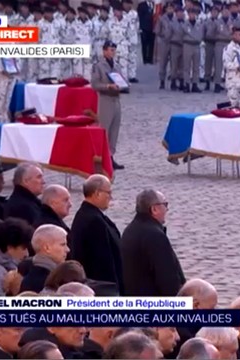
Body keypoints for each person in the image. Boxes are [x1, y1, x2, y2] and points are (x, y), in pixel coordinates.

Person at [120, 189, 185, 296]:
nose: (167, 209)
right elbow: (167, 277)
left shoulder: (130, 229)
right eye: (165, 204)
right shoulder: (155, 235)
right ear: (154, 209)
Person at [70, 175, 123, 293]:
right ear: (97, 193)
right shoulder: (93, 221)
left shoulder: (88, 215)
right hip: (102, 288)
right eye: (108, 193)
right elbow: (103, 262)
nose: (111, 197)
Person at [92, 40, 125, 170]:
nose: (113, 53)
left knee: (114, 131)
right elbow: (94, 84)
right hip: (105, 100)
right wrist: (107, 86)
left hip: (116, 99)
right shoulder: (99, 66)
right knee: (104, 130)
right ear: (104, 51)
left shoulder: (116, 66)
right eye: (110, 50)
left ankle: (110, 156)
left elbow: (122, 79)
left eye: (114, 50)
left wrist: (124, 85)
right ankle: (101, 158)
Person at [20, 224, 69, 293]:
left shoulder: (28, 276)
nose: (68, 249)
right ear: (47, 248)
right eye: (63, 244)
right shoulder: (45, 282)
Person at [182, 7, 203, 93]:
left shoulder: (199, 25)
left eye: (193, 14)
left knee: (196, 66)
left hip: (196, 46)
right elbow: (183, 34)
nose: (192, 15)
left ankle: (195, 84)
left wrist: (193, 37)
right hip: (187, 45)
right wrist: (193, 37)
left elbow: (200, 35)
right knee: (186, 66)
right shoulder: (184, 24)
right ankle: (187, 84)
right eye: (190, 14)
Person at [137, 0, 155, 64]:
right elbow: (139, 17)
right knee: (144, 44)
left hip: (152, 28)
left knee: (151, 44)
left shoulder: (154, 5)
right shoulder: (141, 5)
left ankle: (150, 59)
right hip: (144, 28)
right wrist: (140, 27)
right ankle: (145, 59)